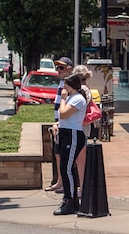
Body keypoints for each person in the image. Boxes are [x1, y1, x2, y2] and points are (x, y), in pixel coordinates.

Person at [54, 73, 89, 215]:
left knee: (66, 167)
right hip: (66, 133)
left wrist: (62, 99)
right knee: (66, 167)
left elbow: (63, 114)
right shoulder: (71, 97)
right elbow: (61, 118)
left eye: (66, 84)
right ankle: (71, 199)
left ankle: (70, 199)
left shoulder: (78, 99)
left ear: (72, 85)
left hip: (73, 135)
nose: (63, 87)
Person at [45, 57, 74, 193]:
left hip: (65, 125)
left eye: (61, 67)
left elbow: (68, 107)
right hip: (59, 124)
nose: (59, 70)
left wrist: (59, 122)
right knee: (58, 154)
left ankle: (66, 184)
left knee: (65, 156)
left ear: (70, 68)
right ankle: (60, 182)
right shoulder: (62, 83)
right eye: (57, 67)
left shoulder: (71, 85)